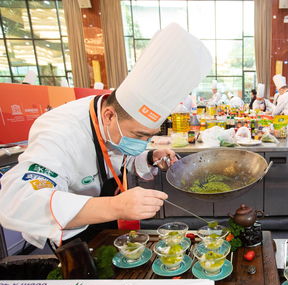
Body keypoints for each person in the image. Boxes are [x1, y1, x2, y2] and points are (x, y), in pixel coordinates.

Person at [0, 23, 212, 248]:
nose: (141, 144)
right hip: (72, 230)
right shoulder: (59, 130)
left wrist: (150, 157)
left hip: (111, 219)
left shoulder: (115, 126)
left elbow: (118, 156)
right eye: (138, 135)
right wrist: (117, 207)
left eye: (147, 137)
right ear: (109, 115)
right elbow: (20, 201)